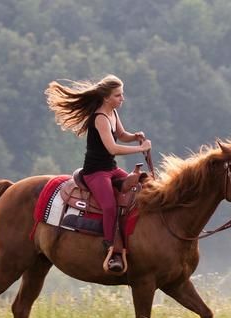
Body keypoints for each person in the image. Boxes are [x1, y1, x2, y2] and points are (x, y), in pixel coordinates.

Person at [45, 75, 151, 272]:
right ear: (106, 98)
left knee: (139, 189)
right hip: (95, 172)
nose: (122, 99)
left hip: (110, 169)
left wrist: (135, 136)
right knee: (110, 206)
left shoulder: (113, 113)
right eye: (118, 95)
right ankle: (111, 247)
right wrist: (140, 148)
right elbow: (112, 148)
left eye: (122, 94)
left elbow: (121, 135)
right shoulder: (100, 118)